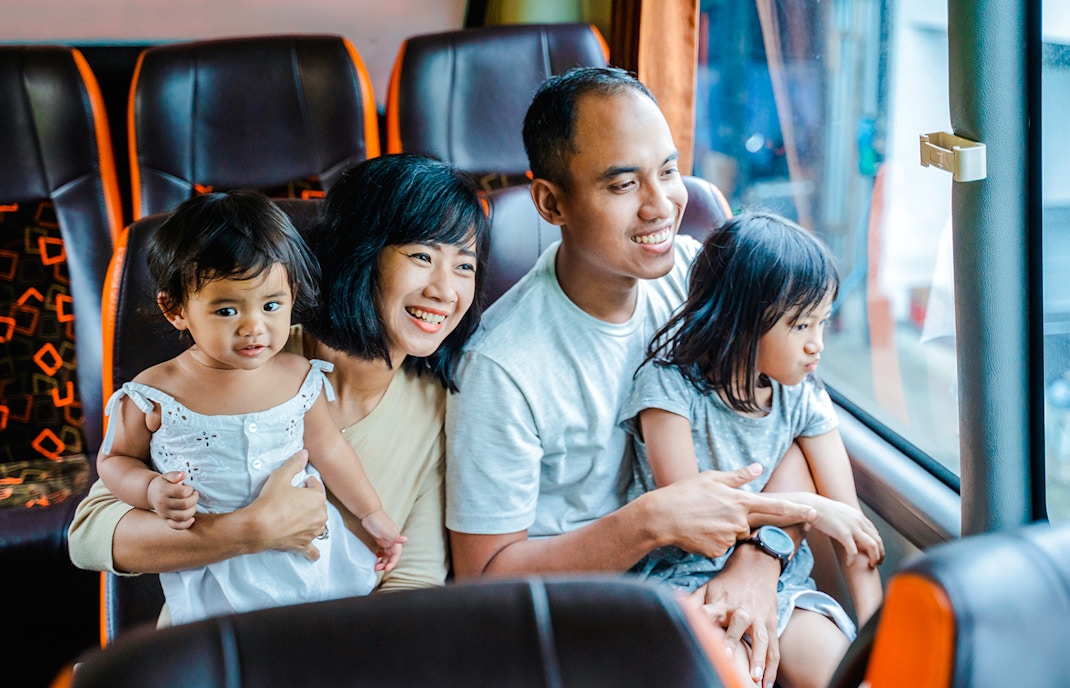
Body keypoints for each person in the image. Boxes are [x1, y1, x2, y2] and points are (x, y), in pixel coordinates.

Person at [445, 66, 816, 688]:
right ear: (551, 203)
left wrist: (758, 560)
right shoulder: (503, 367)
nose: (662, 204)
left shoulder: (699, 280)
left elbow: (801, 423)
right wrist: (650, 521)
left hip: (722, 569)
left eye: (668, 172)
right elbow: (485, 579)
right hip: (582, 619)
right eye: (623, 184)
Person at [69, 153, 490, 616]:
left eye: (464, 266)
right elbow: (90, 536)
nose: (445, 291)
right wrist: (249, 530)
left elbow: (411, 581)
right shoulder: (246, 357)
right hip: (211, 646)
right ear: (360, 251)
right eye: (422, 256)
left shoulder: (439, 404)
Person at [95, 189, 406, 623]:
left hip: (304, 559)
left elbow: (330, 449)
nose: (254, 327)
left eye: (271, 305)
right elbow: (114, 460)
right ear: (175, 309)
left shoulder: (299, 376)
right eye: (226, 310)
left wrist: (372, 514)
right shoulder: (154, 392)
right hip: (216, 571)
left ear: (292, 296)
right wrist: (149, 489)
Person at [620, 212, 885, 688]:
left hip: (782, 589)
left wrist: (879, 646)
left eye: (823, 323)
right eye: (802, 325)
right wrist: (809, 508)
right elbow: (692, 519)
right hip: (685, 583)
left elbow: (855, 535)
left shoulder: (801, 397)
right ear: (739, 321)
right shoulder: (667, 390)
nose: (816, 345)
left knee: (846, 675)